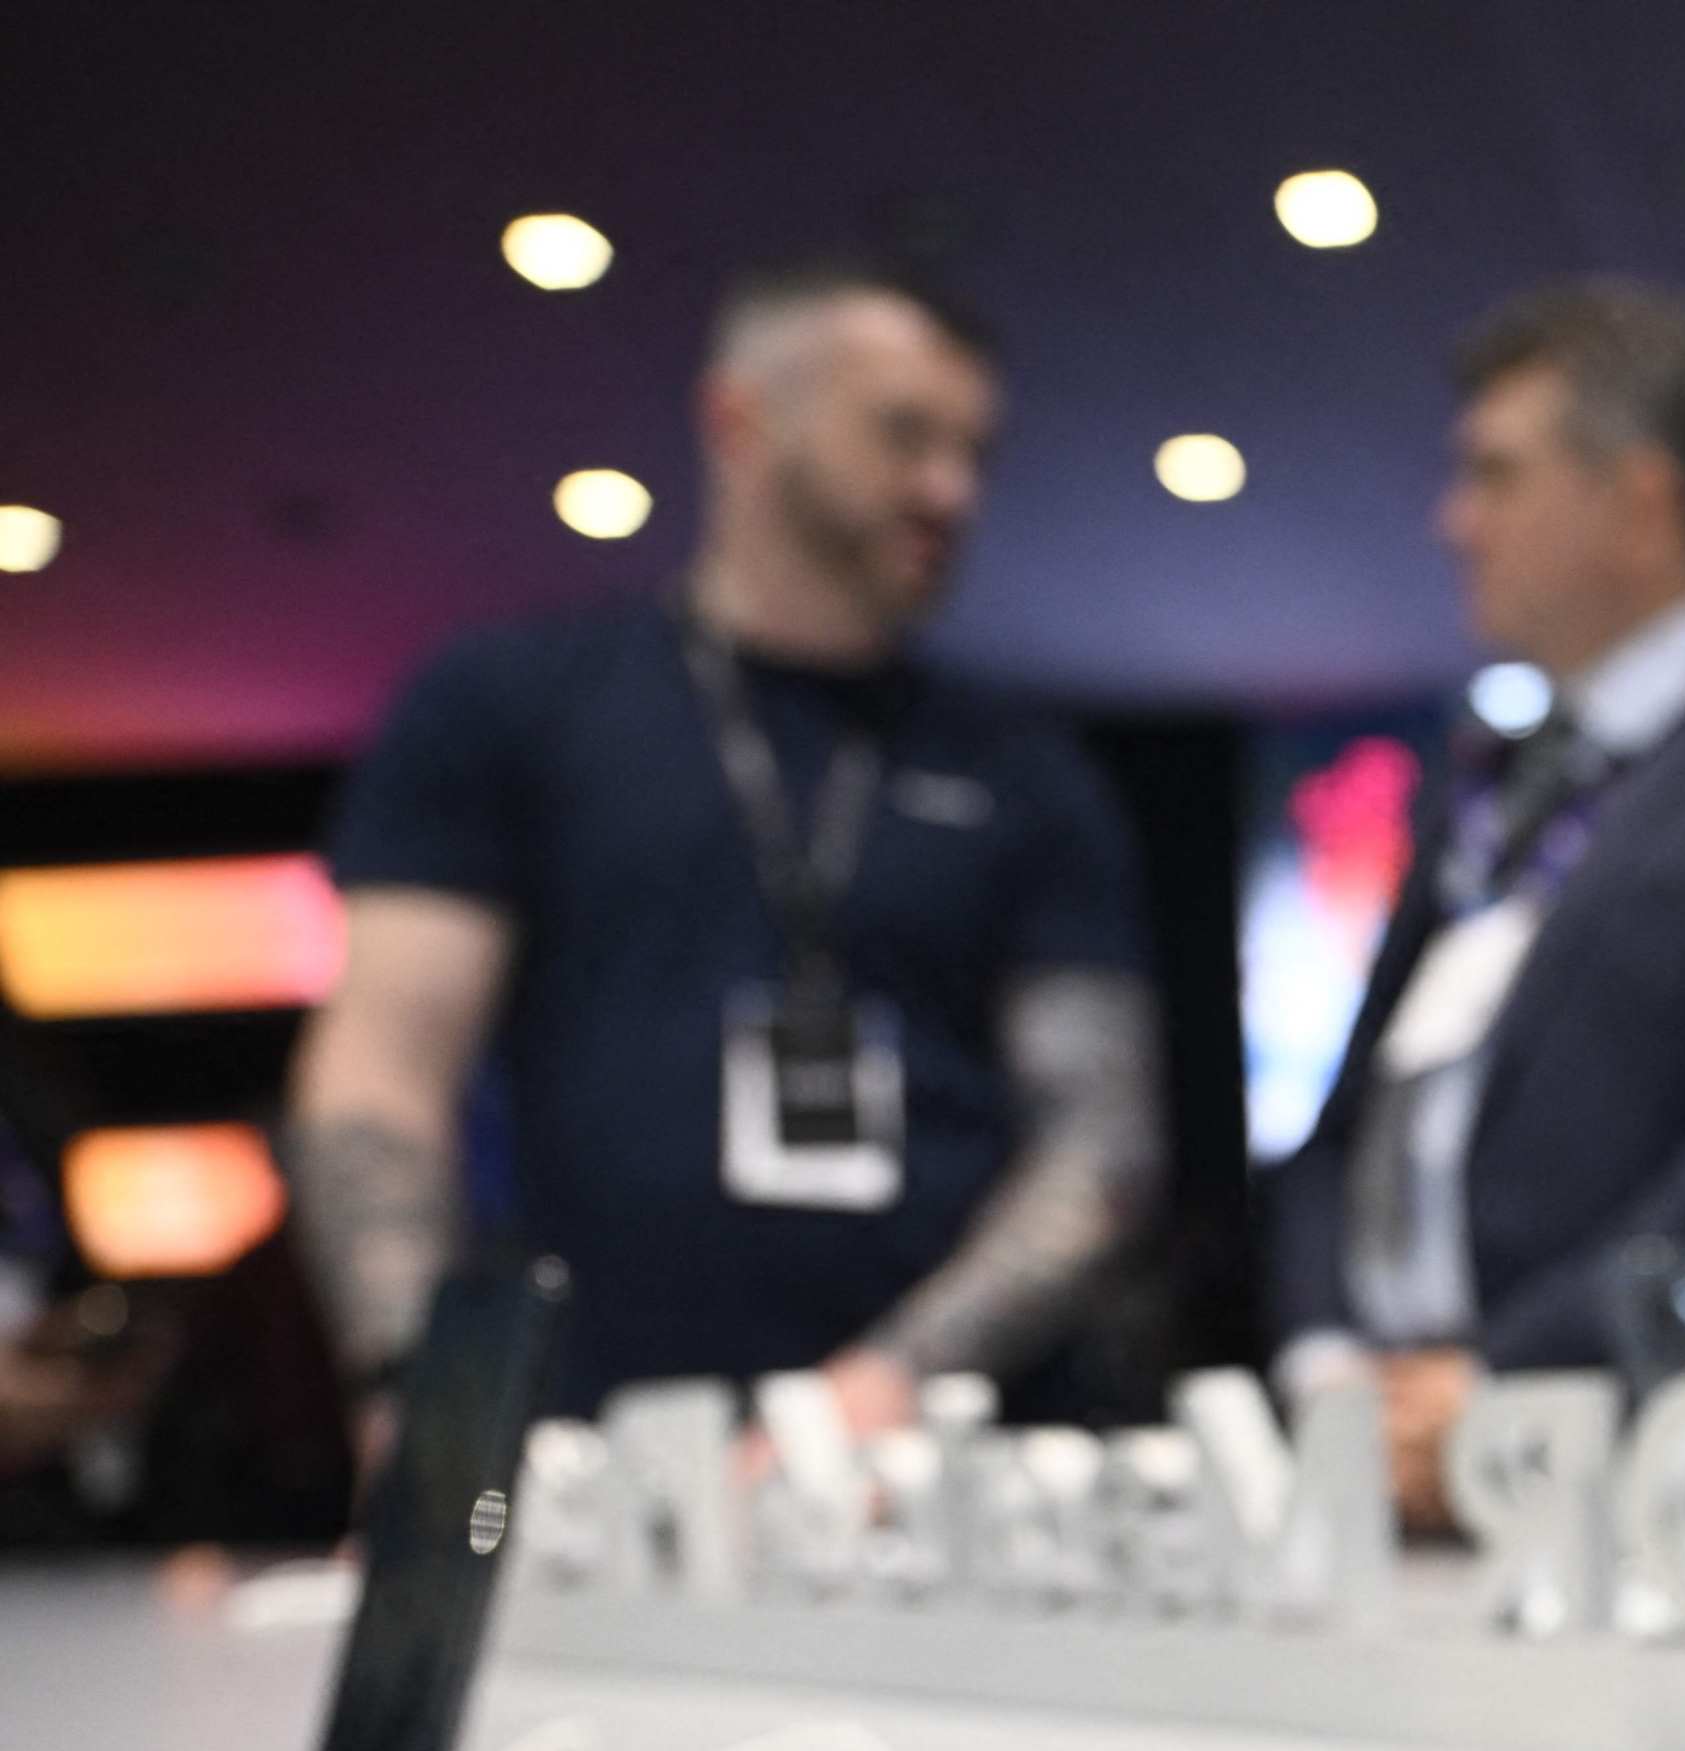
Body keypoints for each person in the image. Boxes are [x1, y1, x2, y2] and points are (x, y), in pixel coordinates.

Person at [289, 257, 1163, 1430]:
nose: (949, 490)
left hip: (963, 1455)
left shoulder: (1026, 773)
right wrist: (416, 1393)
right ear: (740, 420)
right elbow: (383, 1070)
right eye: (904, 435)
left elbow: (1099, 1139)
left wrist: (887, 1388)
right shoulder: (515, 705)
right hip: (608, 1435)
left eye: (975, 454)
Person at [1267, 279, 1685, 1527]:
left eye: (1496, 476)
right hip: (1391, 1458)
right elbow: (1340, 1134)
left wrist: (1509, 1385)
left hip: (1657, 1480)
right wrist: (1333, 1369)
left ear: (1639, 495)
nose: (1454, 522)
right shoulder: (1483, 801)